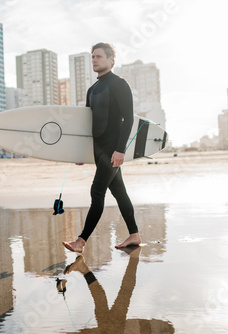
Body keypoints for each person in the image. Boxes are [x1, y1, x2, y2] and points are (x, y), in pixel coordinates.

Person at [62, 43, 141, 252]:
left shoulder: (119, 84)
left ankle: (81, 241)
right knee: (119, 192)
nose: (94, 60)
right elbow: (89, 126)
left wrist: (120, 149)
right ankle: (134, 235)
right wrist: (83, 153)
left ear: (110, 59)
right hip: (99, 150)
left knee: (97, 191)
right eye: (92, 57)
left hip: (112, 150)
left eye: (98, 56)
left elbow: (129, 119)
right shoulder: (92, 90)